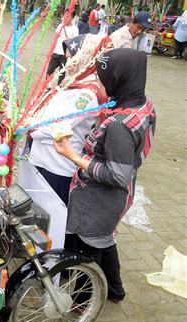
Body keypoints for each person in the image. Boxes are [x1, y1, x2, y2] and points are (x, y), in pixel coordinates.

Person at [54, 48, 156, 303]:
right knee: (104, 240)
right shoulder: (142, 103)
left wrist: (73, 156)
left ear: (120, 78)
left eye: (103, 78)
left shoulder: (120, 126)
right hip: (116, 197)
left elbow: (117, 175)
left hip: (99, 201)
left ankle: (83, 303)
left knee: (89, 252)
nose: (99, 83)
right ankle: (115, 291)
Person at [29, 34, 111, 205]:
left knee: (51, 215)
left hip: (57, 165)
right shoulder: (74, 82)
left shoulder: (87, 93)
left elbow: (61, 126)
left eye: (72, 57)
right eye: (67, 58)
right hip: (45, 158)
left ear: (87, 58)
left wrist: (28, 127)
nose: (68, 64)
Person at [47, 10, 79, 83]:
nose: (65, 18)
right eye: (64, 16)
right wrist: (50, 50)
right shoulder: (60, 26)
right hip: (56, 52)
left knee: (61, 76)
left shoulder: (75, 29)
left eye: (68, 17)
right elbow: (55, 38)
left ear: (72, 18)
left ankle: (57, 92)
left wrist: (70, 40)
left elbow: (75, 43)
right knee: (49, 72)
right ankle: (46, 89)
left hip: (65, 55)